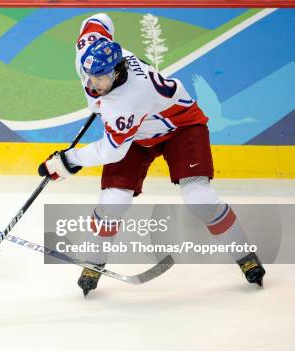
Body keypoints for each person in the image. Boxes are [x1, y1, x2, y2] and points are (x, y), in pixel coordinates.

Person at [38, 14, 265, 297]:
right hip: (138, 133)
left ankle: (245, 256)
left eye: (101, 78)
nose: (93, 84)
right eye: (89, 77)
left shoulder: (129, 98)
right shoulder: (89, 48)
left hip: (179, 126)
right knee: (113, 202)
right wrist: (99, 100)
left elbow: (111, 150)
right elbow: (99, 19)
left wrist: (68, 161)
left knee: (199, 198)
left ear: (119, 71)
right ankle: (94, 263)